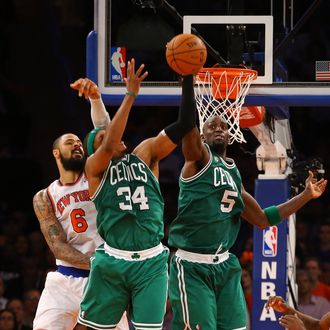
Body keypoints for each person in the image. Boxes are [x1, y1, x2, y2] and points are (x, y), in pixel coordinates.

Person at [167, 76, 328, 330]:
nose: (218, 128)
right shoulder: (197, 160)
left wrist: (306, 195)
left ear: (231, 133)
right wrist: (188, 78)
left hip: (225, 265)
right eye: (211, 126)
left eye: (223, 126)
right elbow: (186, 124)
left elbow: (263, 219)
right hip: (192, 264)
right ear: (202, 133)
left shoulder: (233, 173)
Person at [78, 59, 197, 329]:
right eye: (101, 138)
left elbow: (186, 123)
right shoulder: (95, 169)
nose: (111, 135)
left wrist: (188, 79)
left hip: (152, 261)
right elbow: (107, 144)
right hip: (112, 263)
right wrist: (130, 95)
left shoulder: (146, 154)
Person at [32, 78, 128, 330]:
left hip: (105, 280)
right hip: (66, 279)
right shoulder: (45, 196)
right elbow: (58, 246)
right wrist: (99, 263)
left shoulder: (96, 174)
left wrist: (96, 98)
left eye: (78, 142)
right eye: (69, 142)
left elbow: (108, 136)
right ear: (55, 153)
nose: (76, 144)